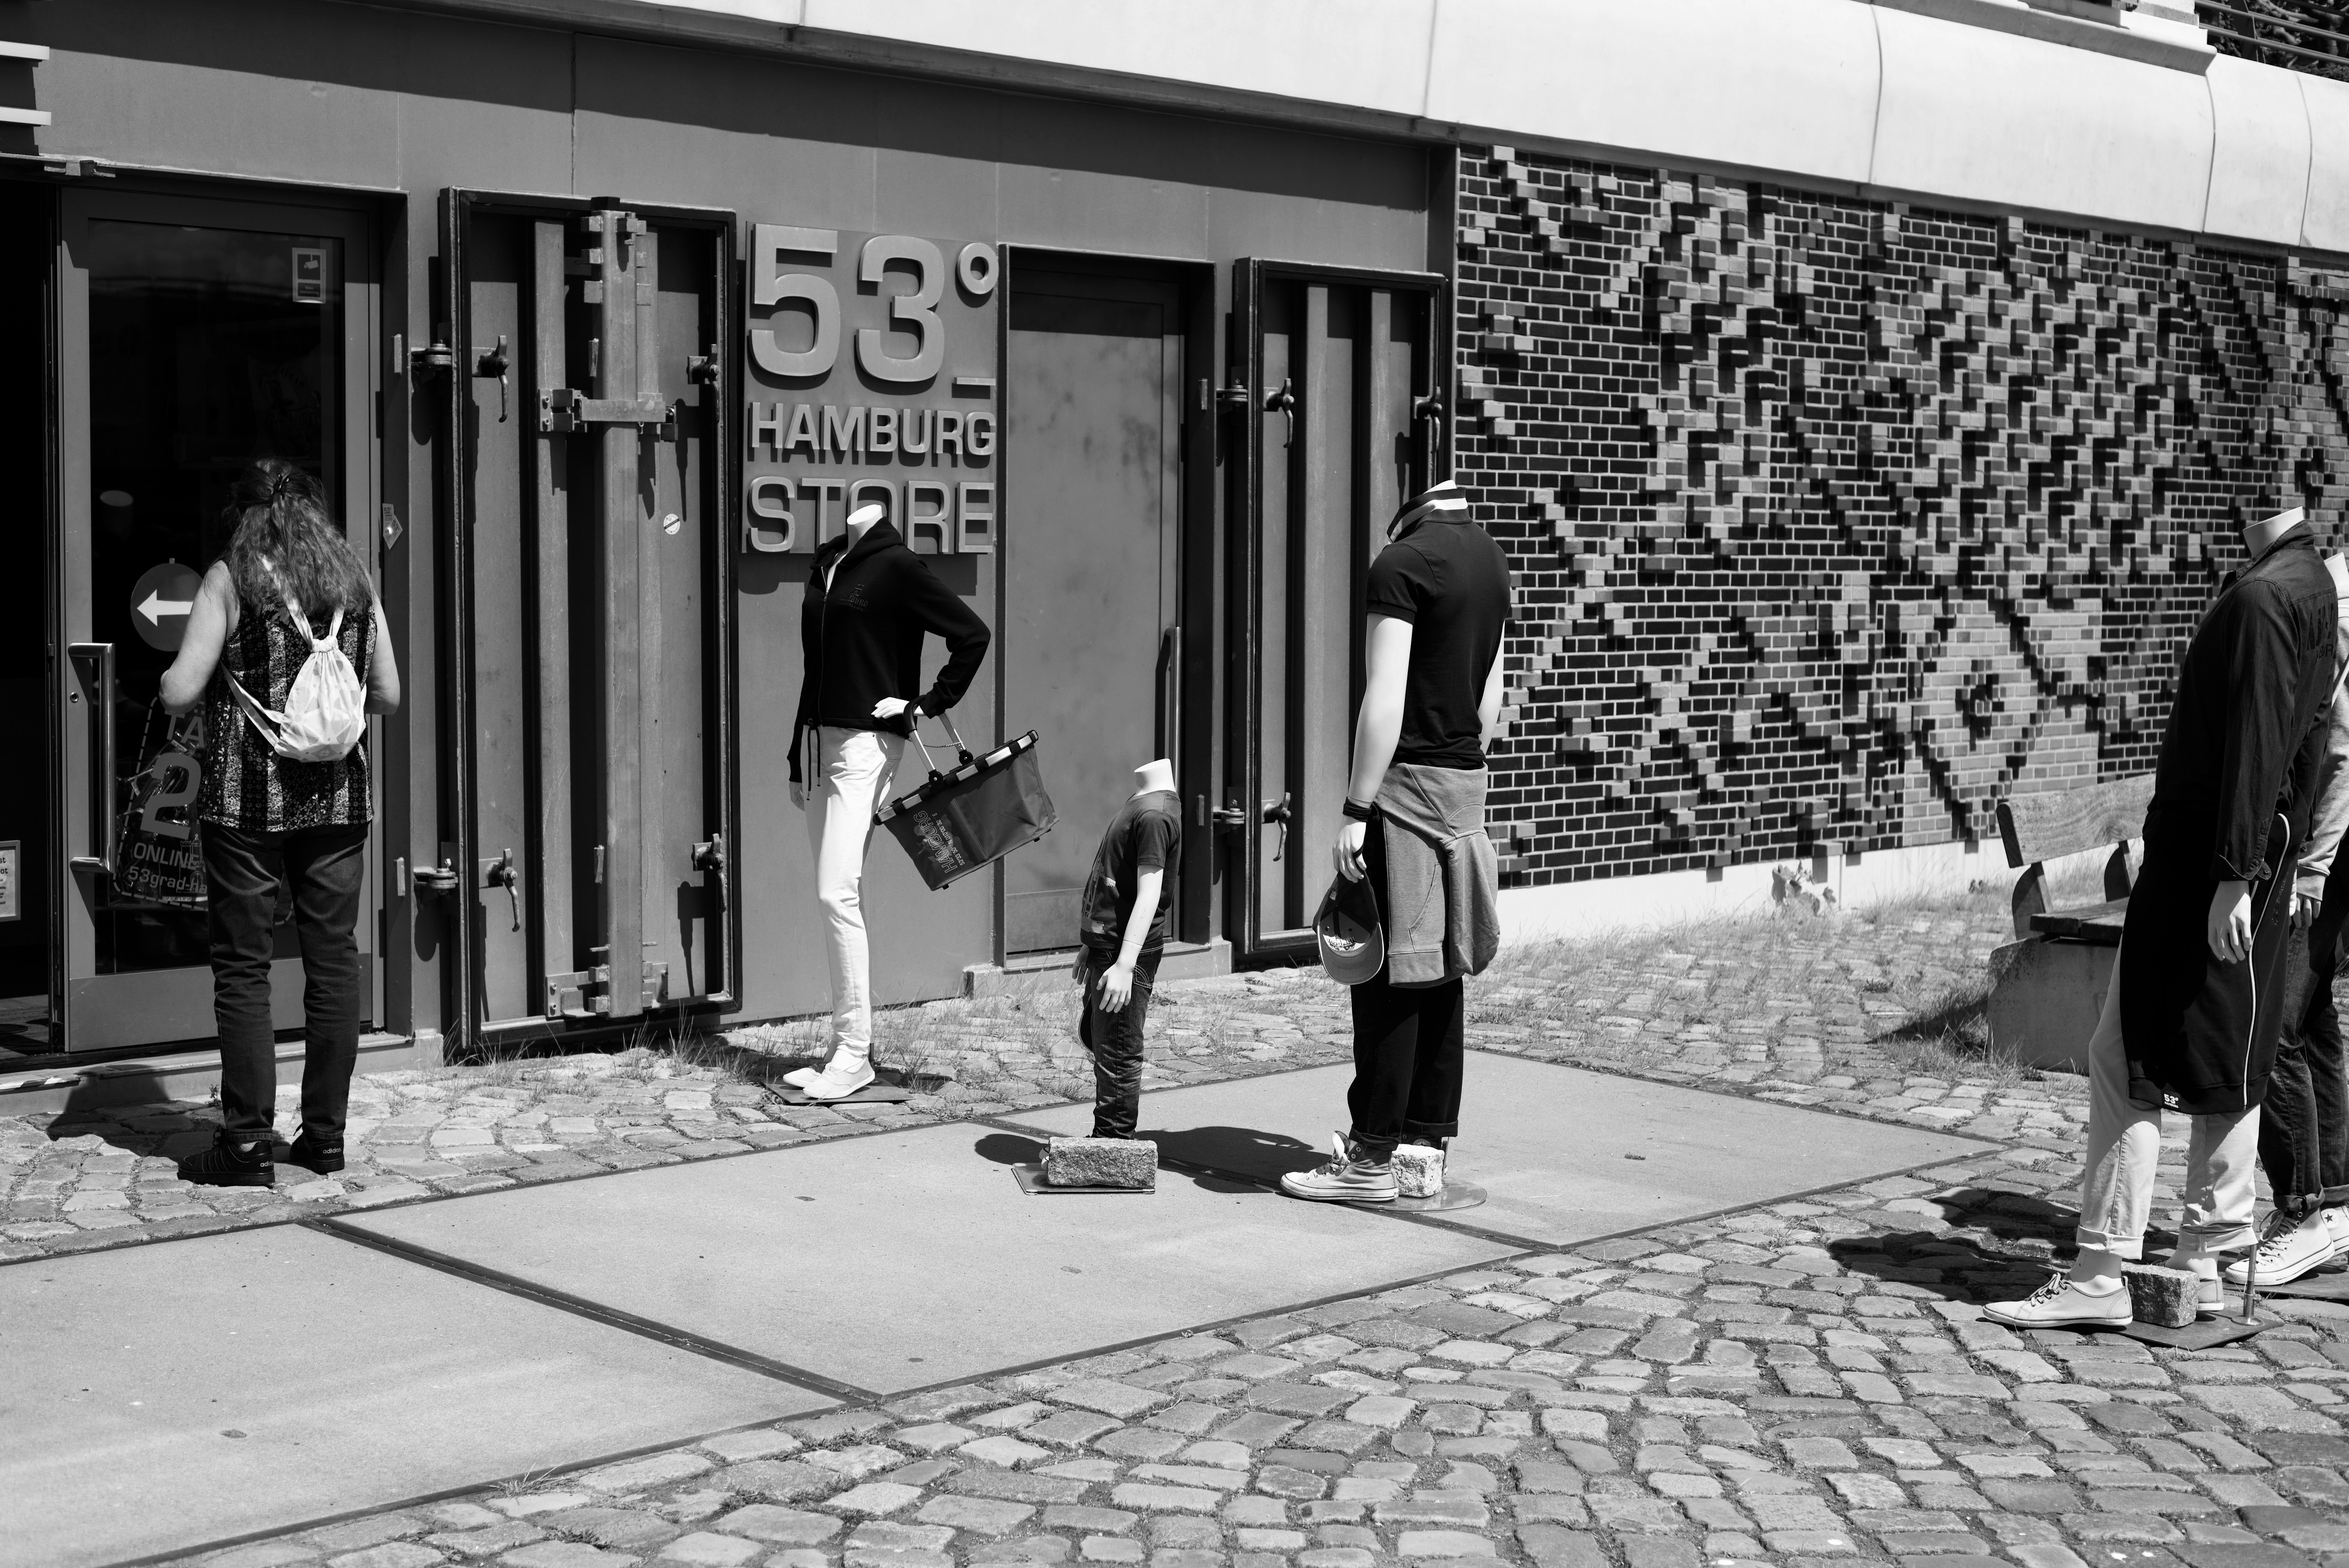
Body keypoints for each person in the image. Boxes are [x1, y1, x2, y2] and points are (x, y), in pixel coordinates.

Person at [1987, 505, 2336, 1327]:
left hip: (2208, 864)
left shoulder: (2260, 599)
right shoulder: (2311, 583)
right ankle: (2202, 1260)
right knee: (2228, 1052)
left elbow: (2258, 741)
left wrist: (2229, 875)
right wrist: (2255, 868)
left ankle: (2101, 1270)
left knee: (2125, 1050)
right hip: (2250, 859)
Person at [159, 460, 401, 1188]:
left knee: (244, 968)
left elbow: (180, 691)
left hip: (245, 803)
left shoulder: (230, 580)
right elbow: (386, 692)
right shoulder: (354, 580)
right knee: (333, 962)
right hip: (337, 799)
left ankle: (245, 1146)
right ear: (316, 516)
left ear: (241, 516)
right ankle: (324, 1140)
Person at [1281, 479, 1508, 1204]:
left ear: (1409, 512)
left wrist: (1355, 806)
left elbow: (1384, 695)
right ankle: (1423, 1148)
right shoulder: (1491, 561)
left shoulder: (1402, 563)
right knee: (1442, 974)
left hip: (1404, 793)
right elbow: (1490, 701)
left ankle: (1369, 1160)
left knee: (1384, 978)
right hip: (1463, 790)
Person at [787, 501, 989, 1101]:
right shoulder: (828, 563)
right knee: (838, 894)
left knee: (835, 891)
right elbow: (814, 667)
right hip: (820, 742)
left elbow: (972, 636)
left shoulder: (897, 566)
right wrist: (794, 751)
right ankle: (844, 1047)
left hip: (866, 746)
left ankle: (854, 1057)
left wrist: (920, 705)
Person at [2228, 549, 2349, 1285]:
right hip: (2330, 853)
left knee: (2271, 1025)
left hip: (2322, 855)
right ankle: (2330, 1204)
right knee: (2311, 1025)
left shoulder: (2328, 592)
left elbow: (2339, 746)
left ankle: (2304, 1210)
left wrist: (2312, 865)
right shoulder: (2327, 584)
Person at [1069, 757, 1182, 1140]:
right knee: (1103, 1041)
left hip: (1125, 953)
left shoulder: (1154, 814)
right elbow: (1116, 876)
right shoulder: (1143, 800)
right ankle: (1108, 1139)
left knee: (1117, 1049)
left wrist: (1125, 964)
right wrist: (1094, 944)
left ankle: (1113, 1143)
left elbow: (1149, 894)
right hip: (1111, 946)